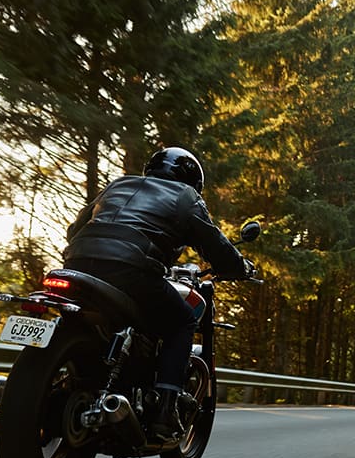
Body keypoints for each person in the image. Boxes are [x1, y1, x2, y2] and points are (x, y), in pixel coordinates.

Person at [62, 146, 250, 440]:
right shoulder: (186, 197)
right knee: (182, 322)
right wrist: (240, 267)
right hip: (132, 270)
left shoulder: (119, 184)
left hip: (78, 263)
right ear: (193, 180)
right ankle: (165, 411)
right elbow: (216, 246)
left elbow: (75, 229)